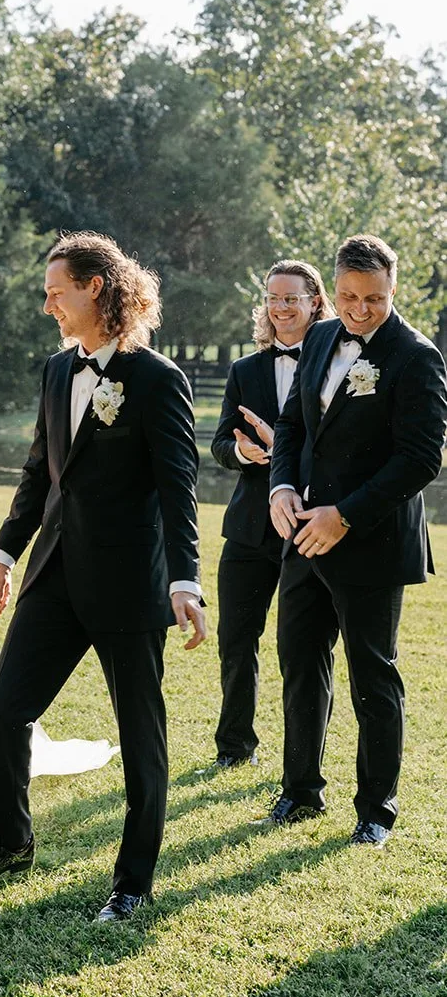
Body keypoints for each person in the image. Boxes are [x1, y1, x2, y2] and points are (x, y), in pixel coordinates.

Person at [0, 231, 205, 922]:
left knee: (140, 739)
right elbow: (39, 476)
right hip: (54, 575)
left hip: (127, 585)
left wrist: (185, 582)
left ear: (95, 288)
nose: (46, 303)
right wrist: (1, 554)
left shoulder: (156, 380)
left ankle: (132, 883)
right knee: (3, 710)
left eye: (56, 290)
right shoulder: (57, 372)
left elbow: (179, 490)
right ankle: (5, 842)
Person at [267, 233, 447, 845]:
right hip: (303, 535)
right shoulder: (318, 336)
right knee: (299, 662)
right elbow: (291, 425)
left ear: (392, 290)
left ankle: (376, 810)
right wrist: (282, 488)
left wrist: (344, 515)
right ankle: (299, 792)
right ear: (334, 289)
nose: (359, 309)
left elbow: (422, 459)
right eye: (347, 296)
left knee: (373, 676)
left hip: (369, 541)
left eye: (372, 298)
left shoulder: (416, 356)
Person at [207, 260, 331, 769]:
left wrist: (280, 448)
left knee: (301, 649)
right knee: (236, 639)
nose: (280, 307)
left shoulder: (336, 368)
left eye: (292, 298)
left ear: (315, 303)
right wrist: (245, 455)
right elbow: (218, 443)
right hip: (249, 527)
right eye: (273, 298)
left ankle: (300, 760)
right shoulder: (245, 370)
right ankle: (234, 748)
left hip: (313, 526)